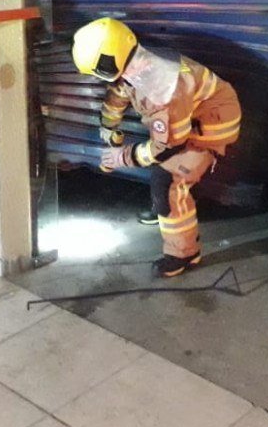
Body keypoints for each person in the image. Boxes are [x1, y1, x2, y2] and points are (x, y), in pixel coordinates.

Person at [72, 18, 242, 277]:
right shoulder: (136, 60)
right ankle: (164, 210)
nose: (97, 77)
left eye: (97, 72)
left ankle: (184, 254)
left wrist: (121, 157)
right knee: (161, 174)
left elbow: (167, 147)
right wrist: (108, 125)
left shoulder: (162, 90)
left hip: (211, 126)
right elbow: (120, 92)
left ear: (108, 63)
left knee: (167, 182)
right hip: (188, 117)